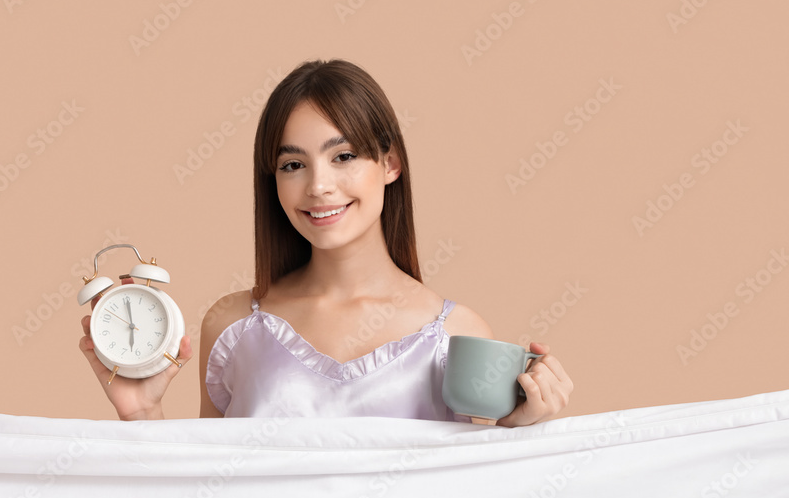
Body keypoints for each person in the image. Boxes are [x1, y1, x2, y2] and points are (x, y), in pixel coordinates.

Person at [79, 59, 573, 425]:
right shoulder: (231, 326)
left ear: (390, 164)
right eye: (293, 165)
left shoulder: (456, 334)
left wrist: (523, 431)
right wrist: (143, 413)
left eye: (344, 156)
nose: (318, 186)